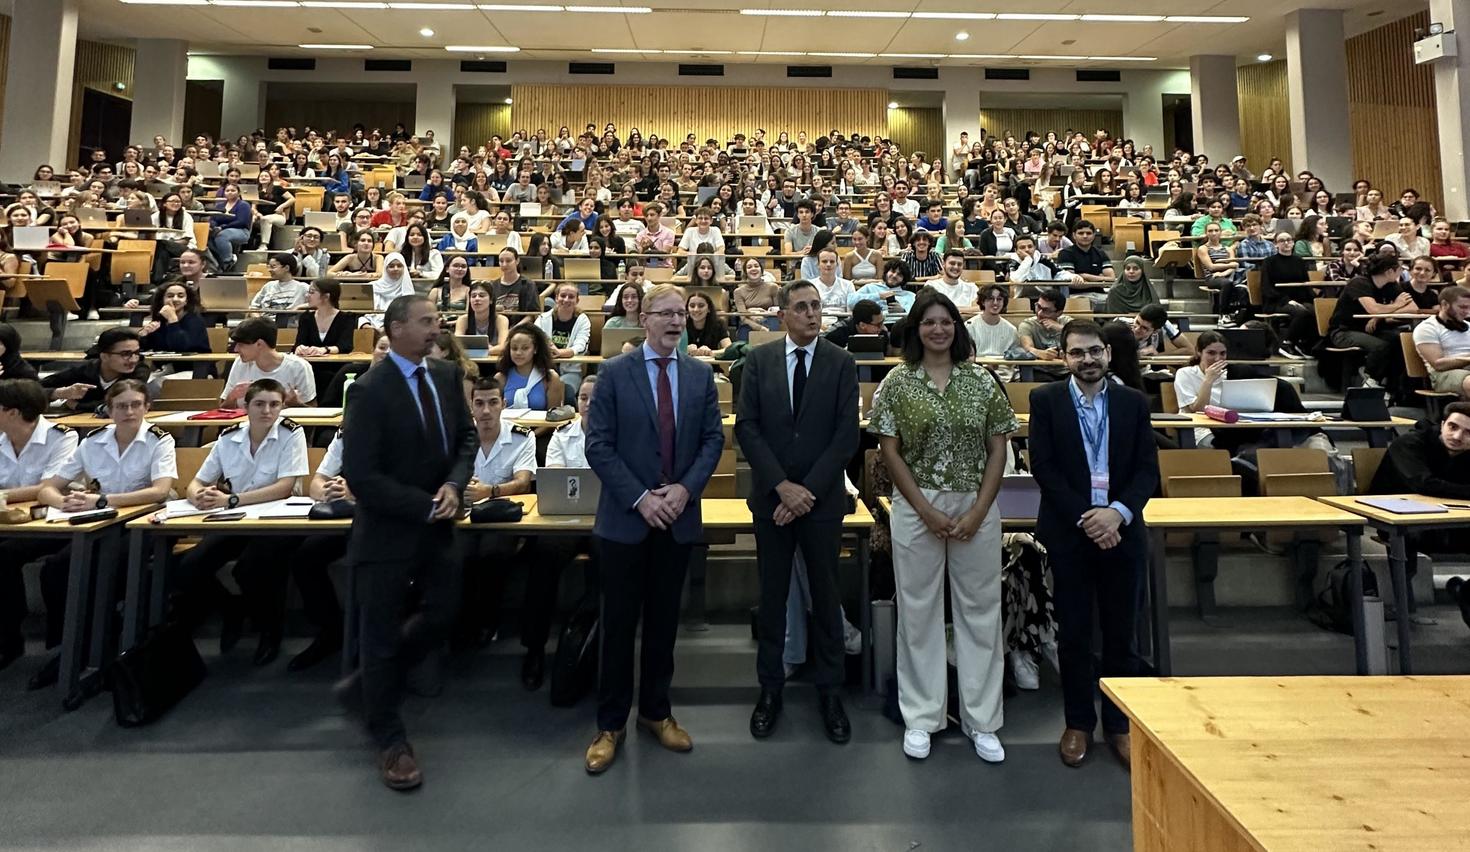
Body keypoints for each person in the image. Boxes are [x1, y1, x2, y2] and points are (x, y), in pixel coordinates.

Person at [582, 283, 725, 775]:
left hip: (679, 517)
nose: (675, 322)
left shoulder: (699, 375)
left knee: (665, 624)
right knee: (619, 626)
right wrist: (641, 498)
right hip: (626, 520)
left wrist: (685, 490)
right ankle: (610, 724)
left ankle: (656, 713)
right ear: (644, 318)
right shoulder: (614, 374)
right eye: (665, 313)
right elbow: (598, 446)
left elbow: (712, 440)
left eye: (682, 314)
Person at [869, 289, 1017, 763]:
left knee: (979, 610)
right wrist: (925, 510)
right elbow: (889, 451)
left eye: (946, 322)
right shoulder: (897, 381)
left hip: (976, 502)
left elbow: (998, 449)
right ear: (916, 329)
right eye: (929, 322)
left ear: (958, 327)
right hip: (917, 506)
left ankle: (982, 720)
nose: (938, 329)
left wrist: (977, 510)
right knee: (918, 611)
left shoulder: (982, 381)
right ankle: (921, 716)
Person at [336, 294, 477, 791]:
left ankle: (370, 685)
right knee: (378, 632)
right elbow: (361, 474)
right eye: (424, 322)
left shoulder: (442, 376)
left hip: (438, 525)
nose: (435, 330)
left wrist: (456, 485)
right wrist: (422, 503)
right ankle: (390, 738)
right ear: (395, 329)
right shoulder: (370, 389)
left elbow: (466, 439)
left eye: (437, 322)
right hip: (388, 531)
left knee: (444, 611)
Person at [1028, 319, 1158, 770]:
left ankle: (1119, 725)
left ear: (1107, 353)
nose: (1087, 360)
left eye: (1095, 351)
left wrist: (1116, 513)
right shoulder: (1044, 401)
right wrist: (1089, 517)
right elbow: (1044, 468)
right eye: (1077, 352)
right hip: (1071, 532)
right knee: (1076, 633)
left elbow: (1147, 470)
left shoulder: (1133, 402)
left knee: (1122, 634)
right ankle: (1078, 722)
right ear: (1063, 357)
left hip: (1122, 531)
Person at [736, 279, 860, 744]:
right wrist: (783, 488)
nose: (812, 314)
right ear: (783, 314)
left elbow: (846, 436)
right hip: (773, 502)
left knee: (826, 599)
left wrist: (805, 491)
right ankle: (770, 689)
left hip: (822, 503)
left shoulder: (841, 362)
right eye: (802, 307)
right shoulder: (760, 359)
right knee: (772, 600)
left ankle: (831, 691)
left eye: (816, 307)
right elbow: (747, 429)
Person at [30, 379, 176, 689]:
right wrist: (64, 501)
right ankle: (69, 647)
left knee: (108, 567)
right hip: (101, 522)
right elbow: (48, 489)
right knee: (55, 570)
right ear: (108, 411)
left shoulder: (158, 440)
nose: (129, 411)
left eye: (136, 404)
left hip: (144, 521)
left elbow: (160, 491)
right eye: (121, 406)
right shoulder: (93, 441)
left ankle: (99, 646)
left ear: (147, 407)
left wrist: (101, 499)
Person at [174, 379, 309, 665]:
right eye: (259, 404)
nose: (267, 411)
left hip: (279, 520)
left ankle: (270, 632)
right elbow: (198, 480)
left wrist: (230, 500)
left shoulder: (290, 433)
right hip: (236, 518)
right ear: (245, 406)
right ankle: (230, 608)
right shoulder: (228, 437)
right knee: (190, 567)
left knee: (251, 568)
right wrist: (198, 494)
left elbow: (284, 487)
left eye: (275, 404)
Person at [455, 375, 539, 676]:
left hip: (502, 517)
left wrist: (489, 491)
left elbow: (523, 481)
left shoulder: (521, 436)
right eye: (479, 403)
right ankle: (461, 625)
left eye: (493, 402)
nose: (486, 410)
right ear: (471, 406)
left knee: (491, 553)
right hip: (463, 517)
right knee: (458, 556)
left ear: (504, 404)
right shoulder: (460, 437)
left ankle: (487, 622)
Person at [0, 378, 79, 670]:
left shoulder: (62, 437)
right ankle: (7, 633)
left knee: (7, 555)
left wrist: (2, 495)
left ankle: (15, 634)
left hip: (54, 520)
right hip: (9, 521)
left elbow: (46, 487)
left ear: (13, 413)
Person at [1328, 253, 1414, 389]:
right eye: (1399, 268)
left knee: (1400, 340)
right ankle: (1371, 379)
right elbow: (1373, 308)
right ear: (1389, 271)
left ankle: (1394, 387)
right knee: (1381, 346)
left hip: (1373, 329)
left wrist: (1379, 316)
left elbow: (1413, 308)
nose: (1402, 271)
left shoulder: (1390, 284)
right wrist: (1396, 306)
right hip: (1344, 331)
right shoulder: (1359, 283)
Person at [41, 328, 151, 411]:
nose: (133, 359)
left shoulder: (139, 371)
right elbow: (34, 390)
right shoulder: (83, 370)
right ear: (104, 356)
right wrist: (58, 393)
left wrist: (78, 406)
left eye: (136, 353)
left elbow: (120, 403)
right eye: (125, 354)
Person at [221, 318, 317, 407]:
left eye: (241, 345)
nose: (236, 349)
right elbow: (222, 410)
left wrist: (296, 404)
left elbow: (314, 413)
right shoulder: (240, 363)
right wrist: (231, 397)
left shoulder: (298, 366)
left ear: (259, 344)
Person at [1257, 231, 1318, 357]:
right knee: (1302, 313)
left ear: (1293, 242)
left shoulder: (1299, 261)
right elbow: (1266, 287)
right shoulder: (1269, 262)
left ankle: (1305, 344)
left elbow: (1305, 284)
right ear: (1276, 244)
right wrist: (1286, 300)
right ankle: (1287, 343)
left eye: (1289, 240)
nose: (1286, 243)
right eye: (1282, 240)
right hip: (1276, 301)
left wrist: (1315, 300)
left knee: (1315, 311)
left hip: (1298, 300)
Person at [1412, 285, 1470, 399]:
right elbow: (1438, 364)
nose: (1467, 312)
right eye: (1463, 307)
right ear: (1444, 305)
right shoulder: (1427, 328)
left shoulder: (1468, 326)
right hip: (1443, 375)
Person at [534, 282, 591, 395]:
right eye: (563, 295)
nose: (566, 299)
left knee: (565, 393)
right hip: (544, 369)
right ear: (556, 298)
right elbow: (535, 340)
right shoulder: (543, 318)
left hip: (571, 371)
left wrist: (559, 352)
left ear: (577, 300)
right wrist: (548, 350)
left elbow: (581, 347)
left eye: (571, 297)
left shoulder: (583, 320)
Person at [497, 325, 565, 411]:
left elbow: (554, 417)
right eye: (514, 348)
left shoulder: (550, 379)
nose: (518, 353)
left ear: (535, 349)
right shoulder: (501, 378)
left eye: (525, 348)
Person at [140, 281, 209, 356]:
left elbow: (180, 348)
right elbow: (145, 348)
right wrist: (143, 335)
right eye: (170, 296)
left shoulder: (195, 320)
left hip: (193, 365)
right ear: (162, 300)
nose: (175, 299)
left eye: (181, 296)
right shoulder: (160, 319)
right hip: (164, 365)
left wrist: (172, 320)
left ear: (186, 301)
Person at [294, 278, 356, 356]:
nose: (307, 295)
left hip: (337, 364)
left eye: (312, 292)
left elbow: (345, 346)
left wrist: (324, 349)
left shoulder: (346, 318)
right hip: (311, 363)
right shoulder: (306, 317)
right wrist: (300, 348)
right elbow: (299, 344)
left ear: (326, 296)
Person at [250, 254, 310, 322]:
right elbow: (253, 307)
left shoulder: (302, 287)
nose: (269, 270)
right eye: (269, 267)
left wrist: (300, 307)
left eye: (273, 267)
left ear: (286, 268)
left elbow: (319, 302)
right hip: (265, 326)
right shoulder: (268, 286)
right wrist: (259, 320)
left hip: (288, 327)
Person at [1131, 304, 1195, 357]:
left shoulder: (1165, 325)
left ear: (1155, 331)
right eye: (1137, 322)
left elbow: (1190, 350)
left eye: (1144, 328)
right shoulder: (1122, 325)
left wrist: (1157, 355)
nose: (1137, 329)